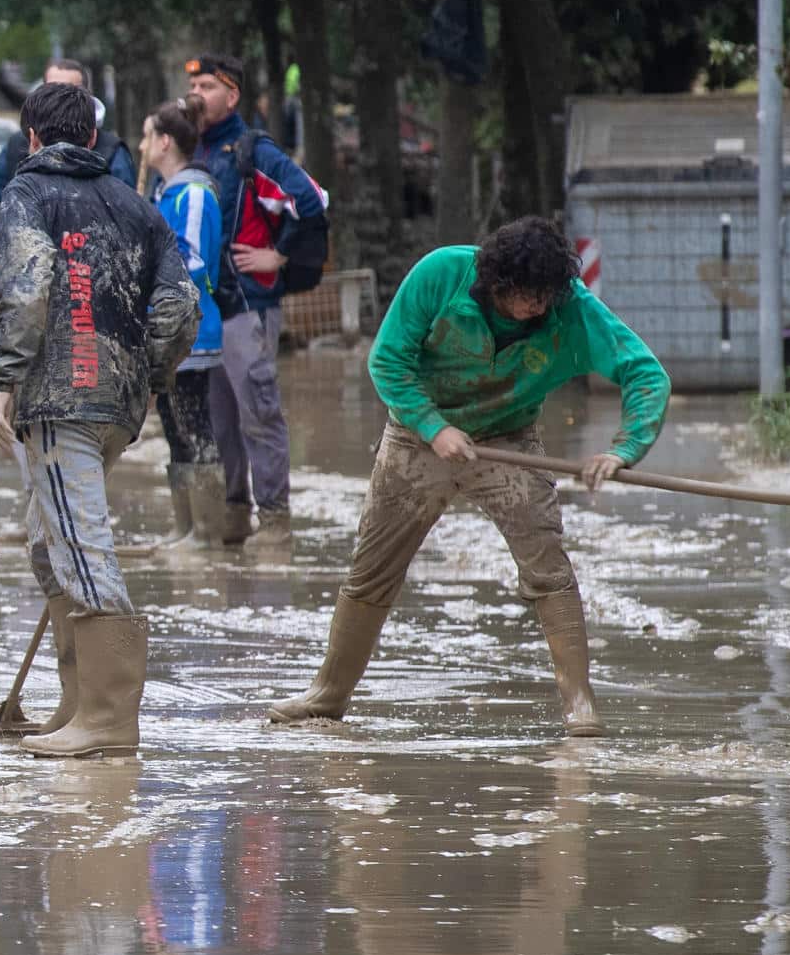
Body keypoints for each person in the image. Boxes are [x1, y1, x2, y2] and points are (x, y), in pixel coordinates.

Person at [272, 217, 668, 737]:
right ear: (496, 283)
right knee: (371, 571)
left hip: (509, 442)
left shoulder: (569, 305)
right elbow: (387, 361)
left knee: (547, 569)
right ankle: (328, 694)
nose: (537, 309)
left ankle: (580, 705)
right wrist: (434, 427)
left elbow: (644, 372)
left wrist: (624, 449)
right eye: (526, 297)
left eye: (545, 297)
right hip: (418, 434)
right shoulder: (440, 275)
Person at [0, 81, 199, 757]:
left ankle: (108, 721)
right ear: (96, 140)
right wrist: (149, 373)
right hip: (119, 400)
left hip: (59, 398)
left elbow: (28, 284)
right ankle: (77, 701)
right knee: (49, 540)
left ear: (33, 138)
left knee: (80, 544)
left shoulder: (27, 193)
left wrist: (3, 379)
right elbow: (181, 306)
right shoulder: (137, 206)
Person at [185, 53, 327, 544]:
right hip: (205, 312)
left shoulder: (252, 152)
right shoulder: (192, 152)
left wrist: (279, 257)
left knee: (259, 413)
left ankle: (275, 519)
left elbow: (311, 200)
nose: (197, 95)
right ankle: (233, 514)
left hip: (249, 306)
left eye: (207, 86)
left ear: (233, 95)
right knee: (221, 420)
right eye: (194, 86)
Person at [139, 104, 228, 548]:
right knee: (175, 429)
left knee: (195, 426)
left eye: (146, 135)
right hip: (166, 332)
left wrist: (143, 278)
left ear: (165, 142)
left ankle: (208, 532)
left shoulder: (192, 195)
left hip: (190, 331)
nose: (140, 146)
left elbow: (191, 262)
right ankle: (185, 527)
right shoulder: (165, 195)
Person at [0, 59, 133, 234]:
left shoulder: (112, 151)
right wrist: (1, 256)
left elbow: (127, 221)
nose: (59, 100)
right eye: (52, 89)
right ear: (33, 140)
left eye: (69, 91)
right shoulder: (17, 146)